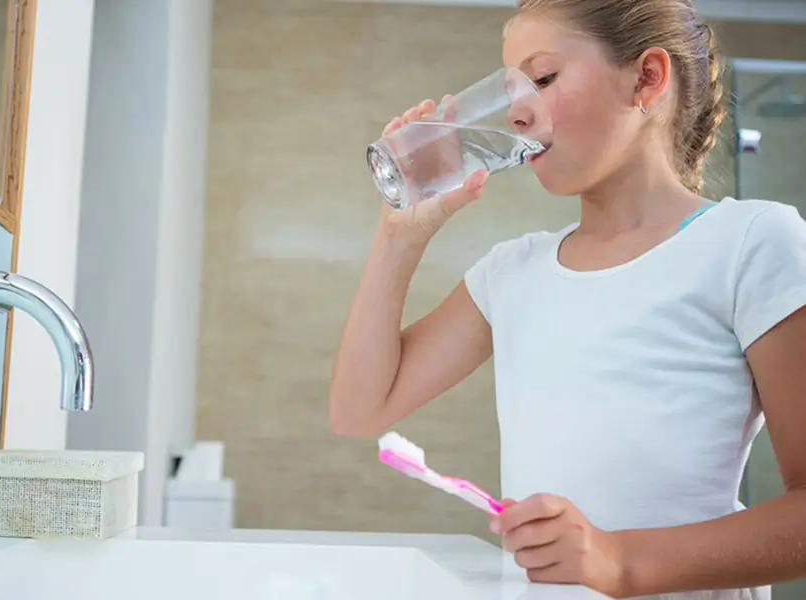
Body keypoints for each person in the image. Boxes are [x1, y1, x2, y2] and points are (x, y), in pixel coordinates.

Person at [328, 0, 806, 598]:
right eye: (509, 89)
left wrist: (618, 560)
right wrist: (400, 234)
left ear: (647, 78)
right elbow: (357, 410)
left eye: (544, 78)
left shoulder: (750, 243)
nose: (518, 113)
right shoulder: (512, 272)